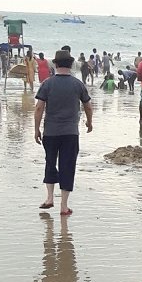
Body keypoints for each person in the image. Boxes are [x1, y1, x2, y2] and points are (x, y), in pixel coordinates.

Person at [34, 49, 93, 216]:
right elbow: (88, 106)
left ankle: (49, 198)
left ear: (55, 64)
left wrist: (36, 129)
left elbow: (39, 108)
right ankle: (64, 206)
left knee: (50, 162)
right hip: (70, 133)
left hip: (50, 132)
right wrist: (89, 122)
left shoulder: (47, 83)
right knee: (68, 166)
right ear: (71, 64)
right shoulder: (77, 84)